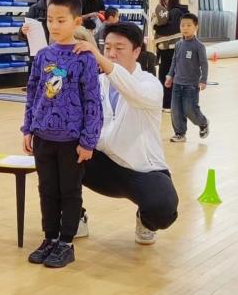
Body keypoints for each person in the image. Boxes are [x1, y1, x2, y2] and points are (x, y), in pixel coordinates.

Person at [73, 23, 179, 245]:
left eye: (119, 48)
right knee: (55, 152)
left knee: (163, 208)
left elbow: (132, 91)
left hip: (141, 170)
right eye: (107, 47)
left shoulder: (150, 84)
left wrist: (100, 60)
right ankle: (75, 216)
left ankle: (145, 220)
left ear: (137, 51)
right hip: (99, 164)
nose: (111, 53)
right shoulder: (96, 82)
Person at [21, 0, 103, 269]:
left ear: (76, 21)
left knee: (70, 191)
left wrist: (88, 140)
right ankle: (50, 238)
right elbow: (33, 92)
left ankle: (66, 243)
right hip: (43, 136)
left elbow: (93, 101)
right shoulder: (43, 55)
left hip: (71, 140)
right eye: (50, 20)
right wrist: (28, 128)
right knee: (47, 189)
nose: (54, 26)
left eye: (61, 20)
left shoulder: (85, 58)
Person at [165, 13, 209, 143]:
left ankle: (203, 123)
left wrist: (203, 79)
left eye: (189, 25)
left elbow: (204, 64)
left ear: (196, 27)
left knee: (190, 109)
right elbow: (174, 61)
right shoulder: (178, 44)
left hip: (191, 85)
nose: (185, 28)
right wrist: (170, 75)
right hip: (177, 83)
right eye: (182, 25)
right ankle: (180, 133)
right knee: (176, 111)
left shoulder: (199, 46)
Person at [152, 0, 189, 110]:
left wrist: (156, 28)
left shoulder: (175, 12)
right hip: (169, 51)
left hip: (171, 51)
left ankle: (168, 104)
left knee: (167, 76)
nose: (162, 2)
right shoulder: (174, 12)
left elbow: (171, 30)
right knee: (167, 75)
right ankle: (169, 103)